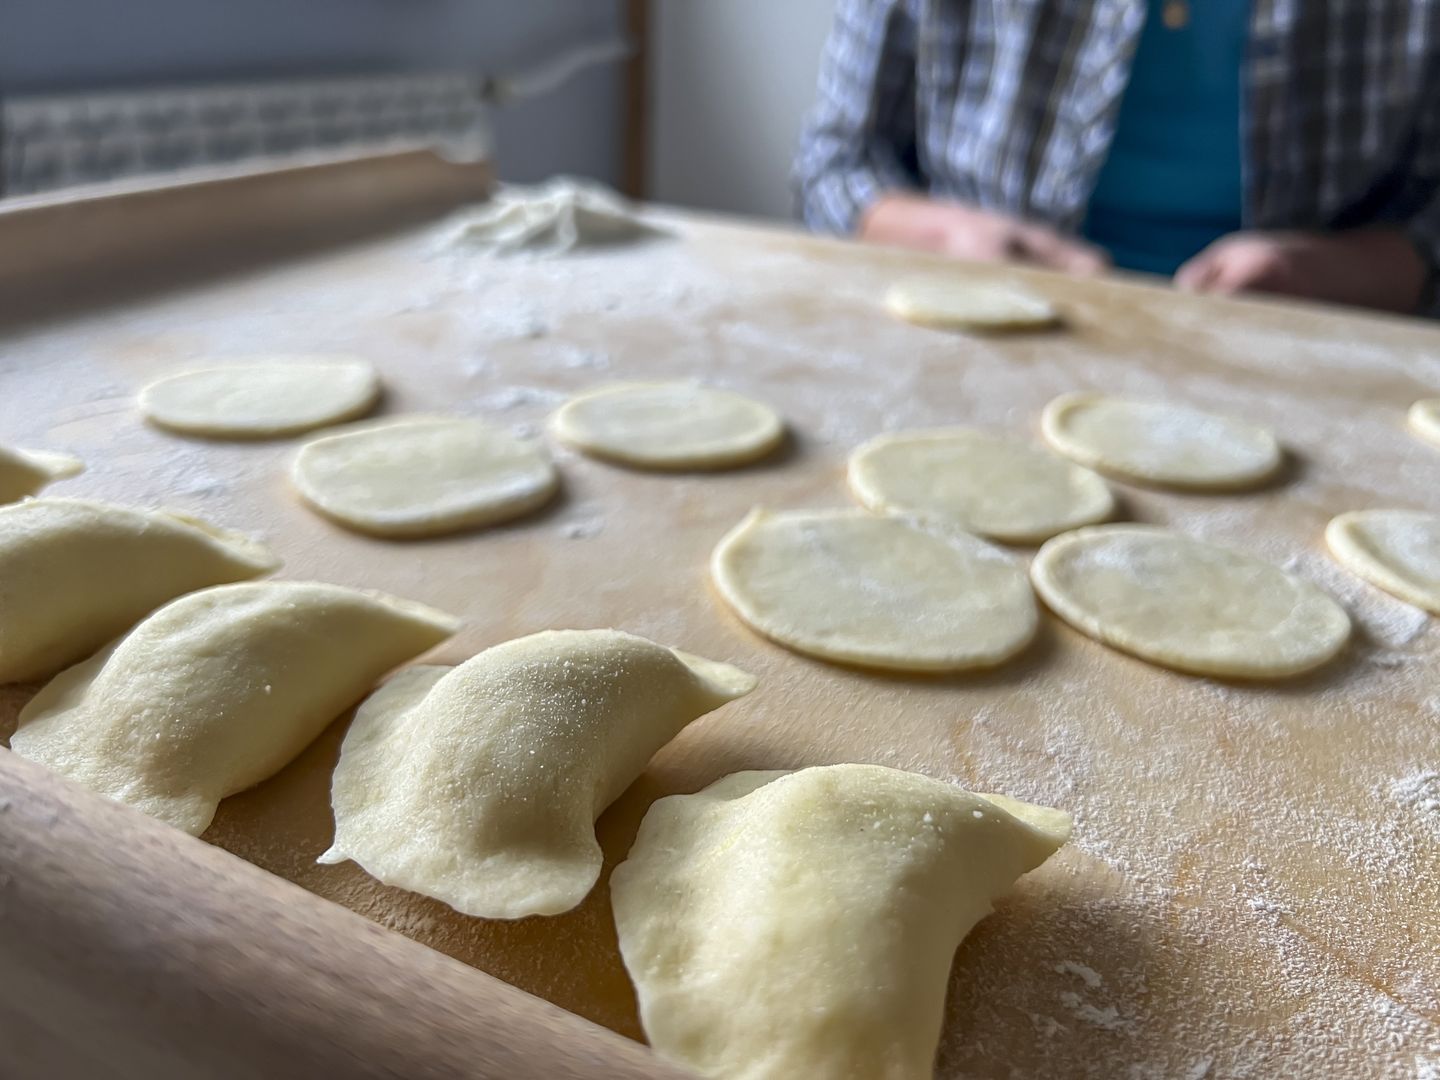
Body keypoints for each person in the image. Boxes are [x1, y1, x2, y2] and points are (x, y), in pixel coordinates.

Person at [795, 0, 1440, 316]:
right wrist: (957, 238)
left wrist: (1324, 272)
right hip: (986, 329)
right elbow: (835, 163)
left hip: (1311, 352)